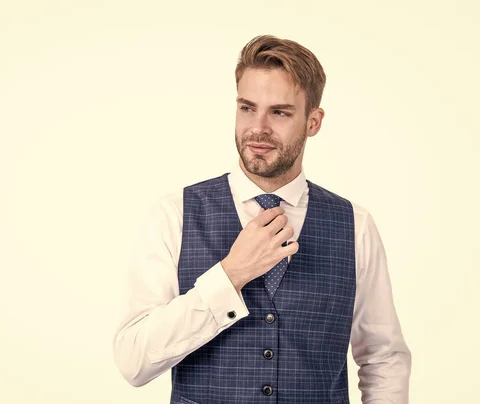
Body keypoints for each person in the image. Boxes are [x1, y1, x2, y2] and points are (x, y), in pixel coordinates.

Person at [112, 34, 411, 403]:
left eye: (280, 112)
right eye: (247, 108)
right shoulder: (174, 214)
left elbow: (383, 358)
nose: (259, 129)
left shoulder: (355, 225)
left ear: (313, 121)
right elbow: (133, 361)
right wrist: (230, 275)